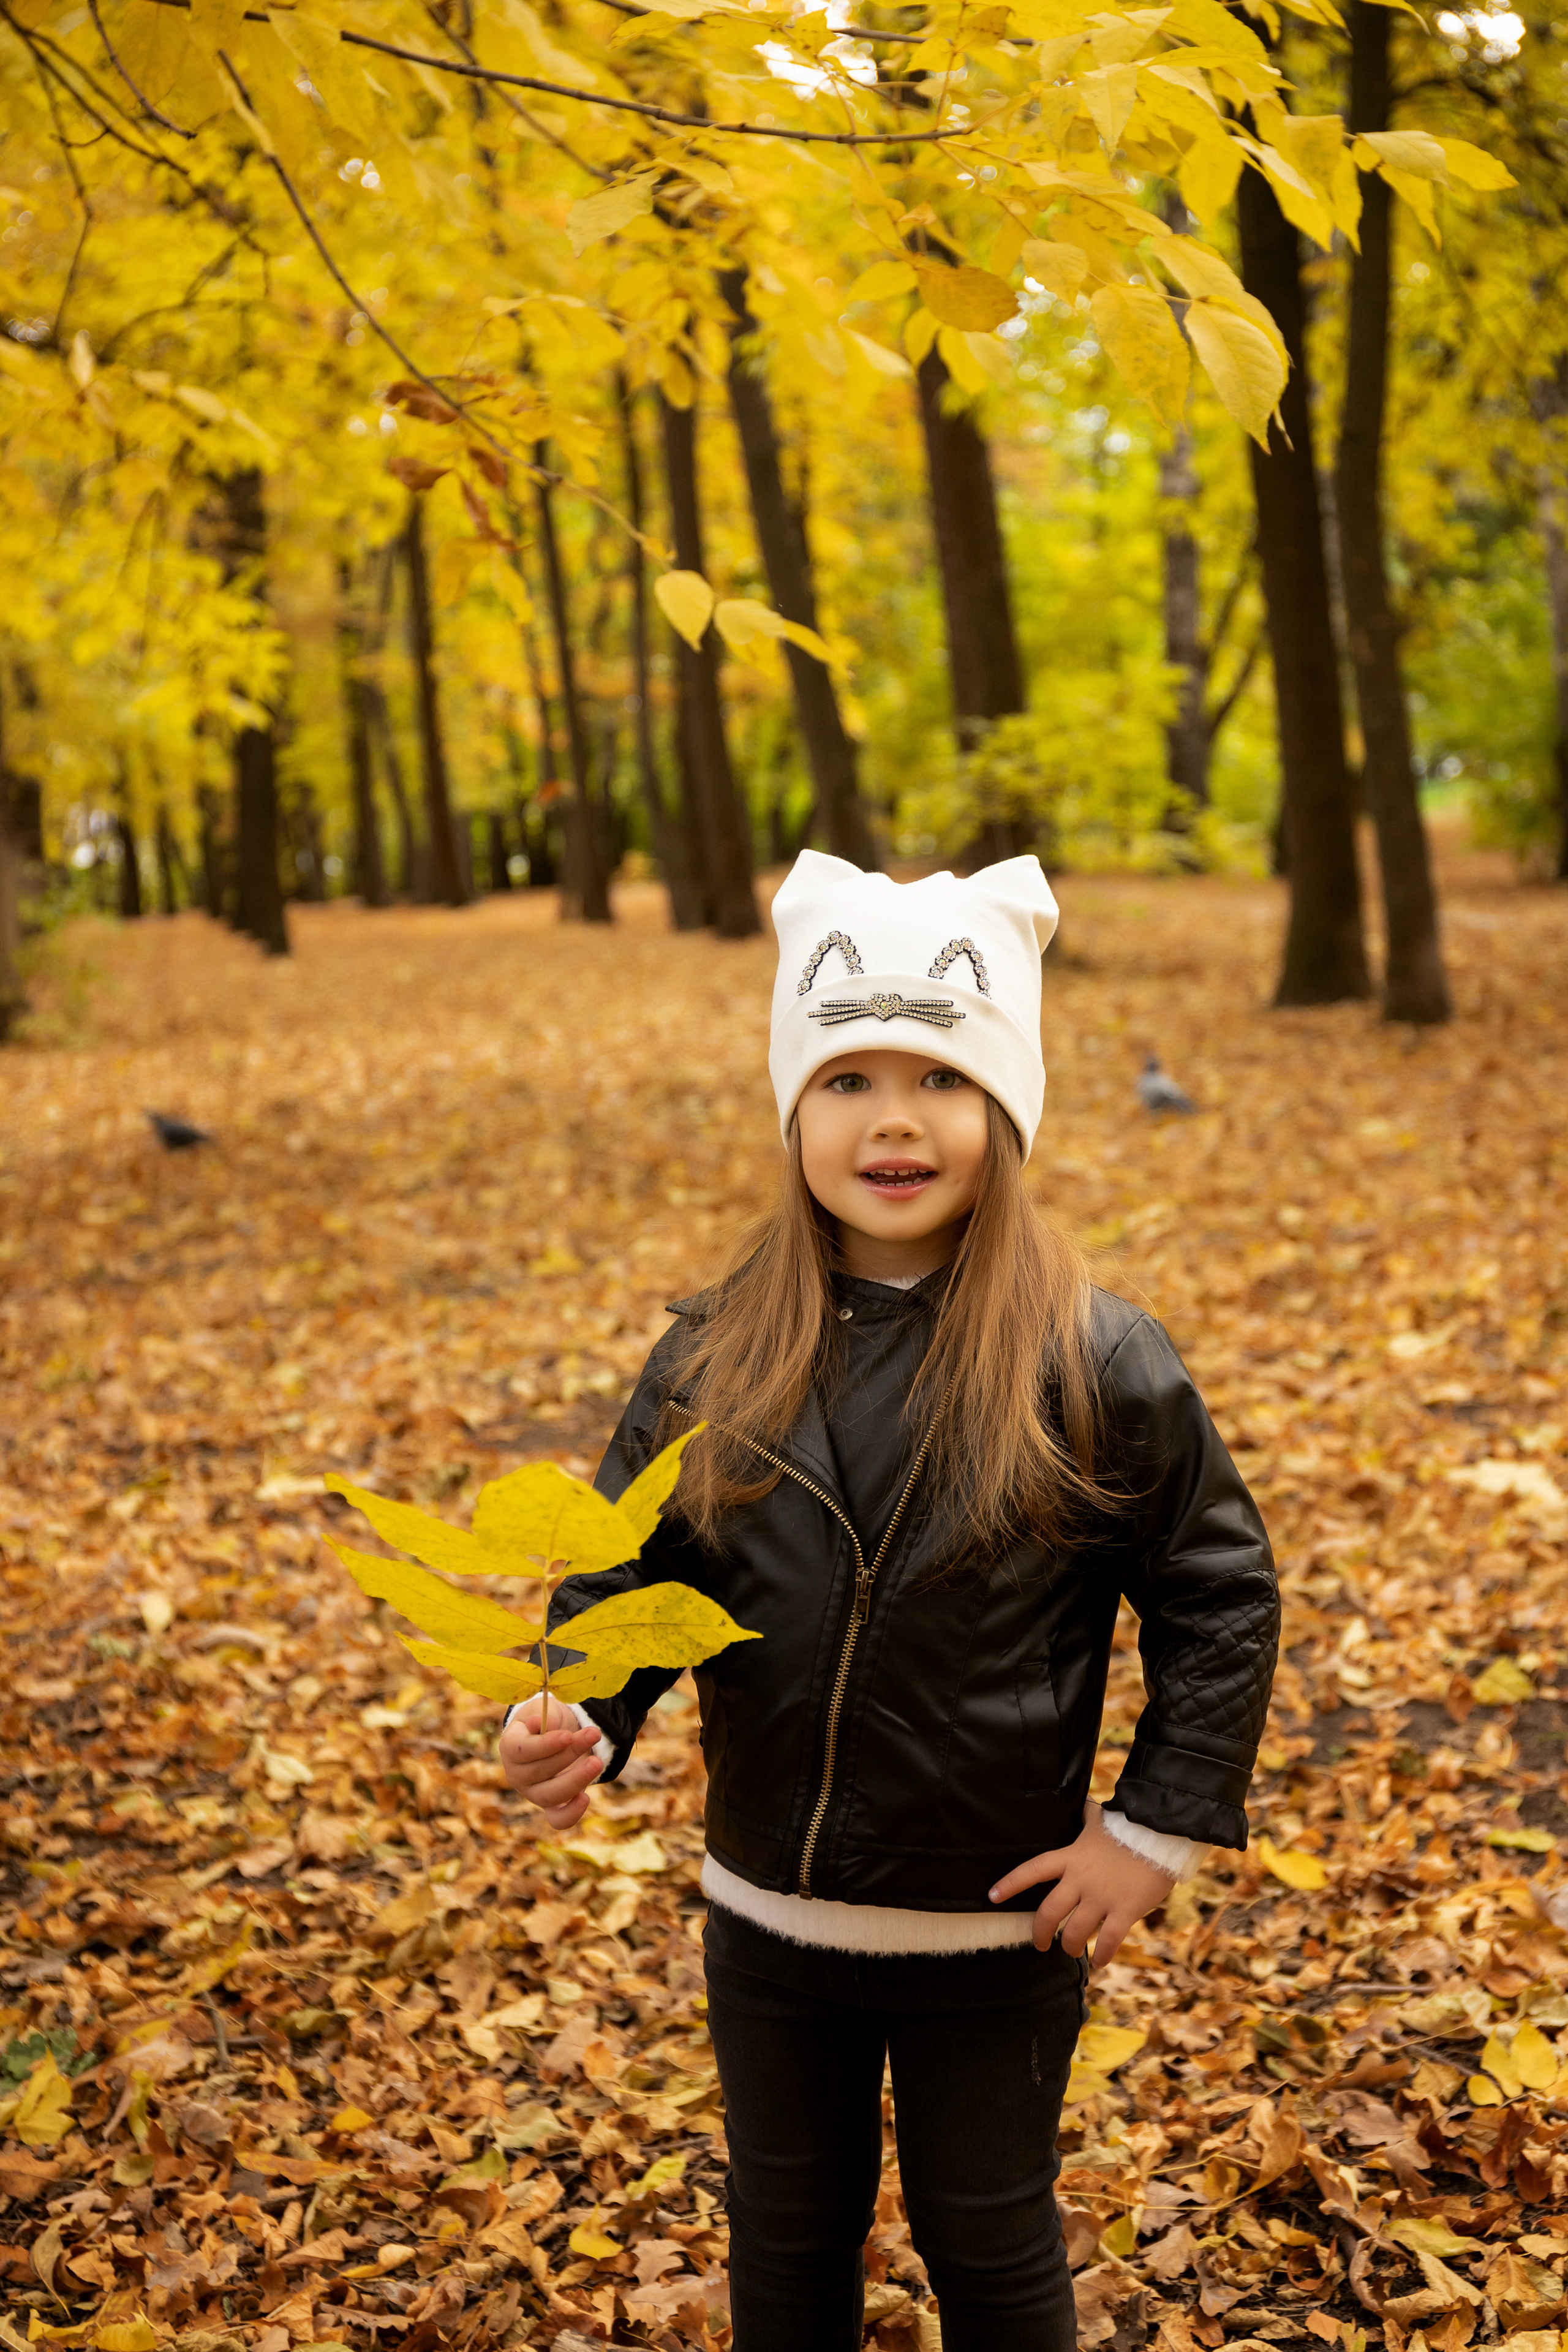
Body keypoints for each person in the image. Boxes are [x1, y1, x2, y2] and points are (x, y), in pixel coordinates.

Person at [500, 851, 1278, 2352]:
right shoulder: (714, 1355)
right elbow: (630, 1565)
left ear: (1004, 1110)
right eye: (846, 1076)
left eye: (939, 1075)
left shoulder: (1092, 1361)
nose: (893, 1120)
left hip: (990, 1931)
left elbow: (1216, 1591)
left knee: (985, 2240)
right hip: (764, 1915)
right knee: (785, 2236)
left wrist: (1150, 1829)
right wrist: (579, 1708)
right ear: (794, 1107)